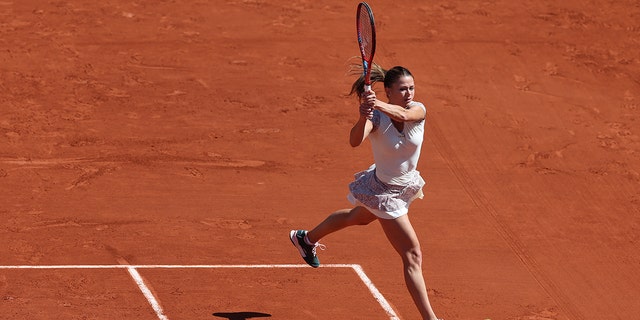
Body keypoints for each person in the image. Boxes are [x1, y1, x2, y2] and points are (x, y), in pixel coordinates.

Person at [289, 64, 441, 320]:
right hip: (384, 193)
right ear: (389, 91)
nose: (409, 94)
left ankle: (306, 239)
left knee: (357, 217)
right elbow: (354, 141)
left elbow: (403, 116)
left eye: (411, 88)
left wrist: (377, 104)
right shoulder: (377, 118)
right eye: (402, 89)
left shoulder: (418, 110)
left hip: (404, 186)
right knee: (412, 254)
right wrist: (363, 117)